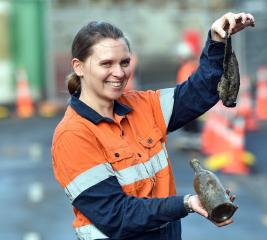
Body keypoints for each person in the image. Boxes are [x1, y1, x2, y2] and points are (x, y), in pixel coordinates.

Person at [51, 12, 255, 240]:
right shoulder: (72, 136)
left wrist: (217, 40)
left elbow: (198, 93)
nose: (119, 73)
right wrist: (187, 203)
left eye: (125, 62)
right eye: (106, 63)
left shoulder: (143, 105)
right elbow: (116, 216)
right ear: (78, 67)